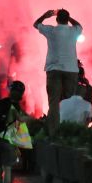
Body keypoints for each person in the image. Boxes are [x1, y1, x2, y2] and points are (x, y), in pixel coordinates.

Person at [33, 8, 83, 136]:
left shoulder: (51, 30)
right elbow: (79, 26)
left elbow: (36, 24)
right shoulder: (74, 31)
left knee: (54, 102)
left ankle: (53, 133)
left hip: (53, 69)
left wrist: (45, 15)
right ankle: (67, 132)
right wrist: (69, 17)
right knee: (68, 101)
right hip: (71, 70)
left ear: (56, 19)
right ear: (67, 19)